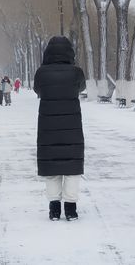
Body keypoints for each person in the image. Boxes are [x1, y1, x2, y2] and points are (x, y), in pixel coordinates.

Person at [33, 36, 86, 221]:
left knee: (52, 168)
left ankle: (54, 209)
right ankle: (70, 209)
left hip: (47, 127)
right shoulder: (76, 72)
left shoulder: (41, 73)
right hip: (72, 127)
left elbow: (38, 90)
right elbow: (81, 88)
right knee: (72, 168)